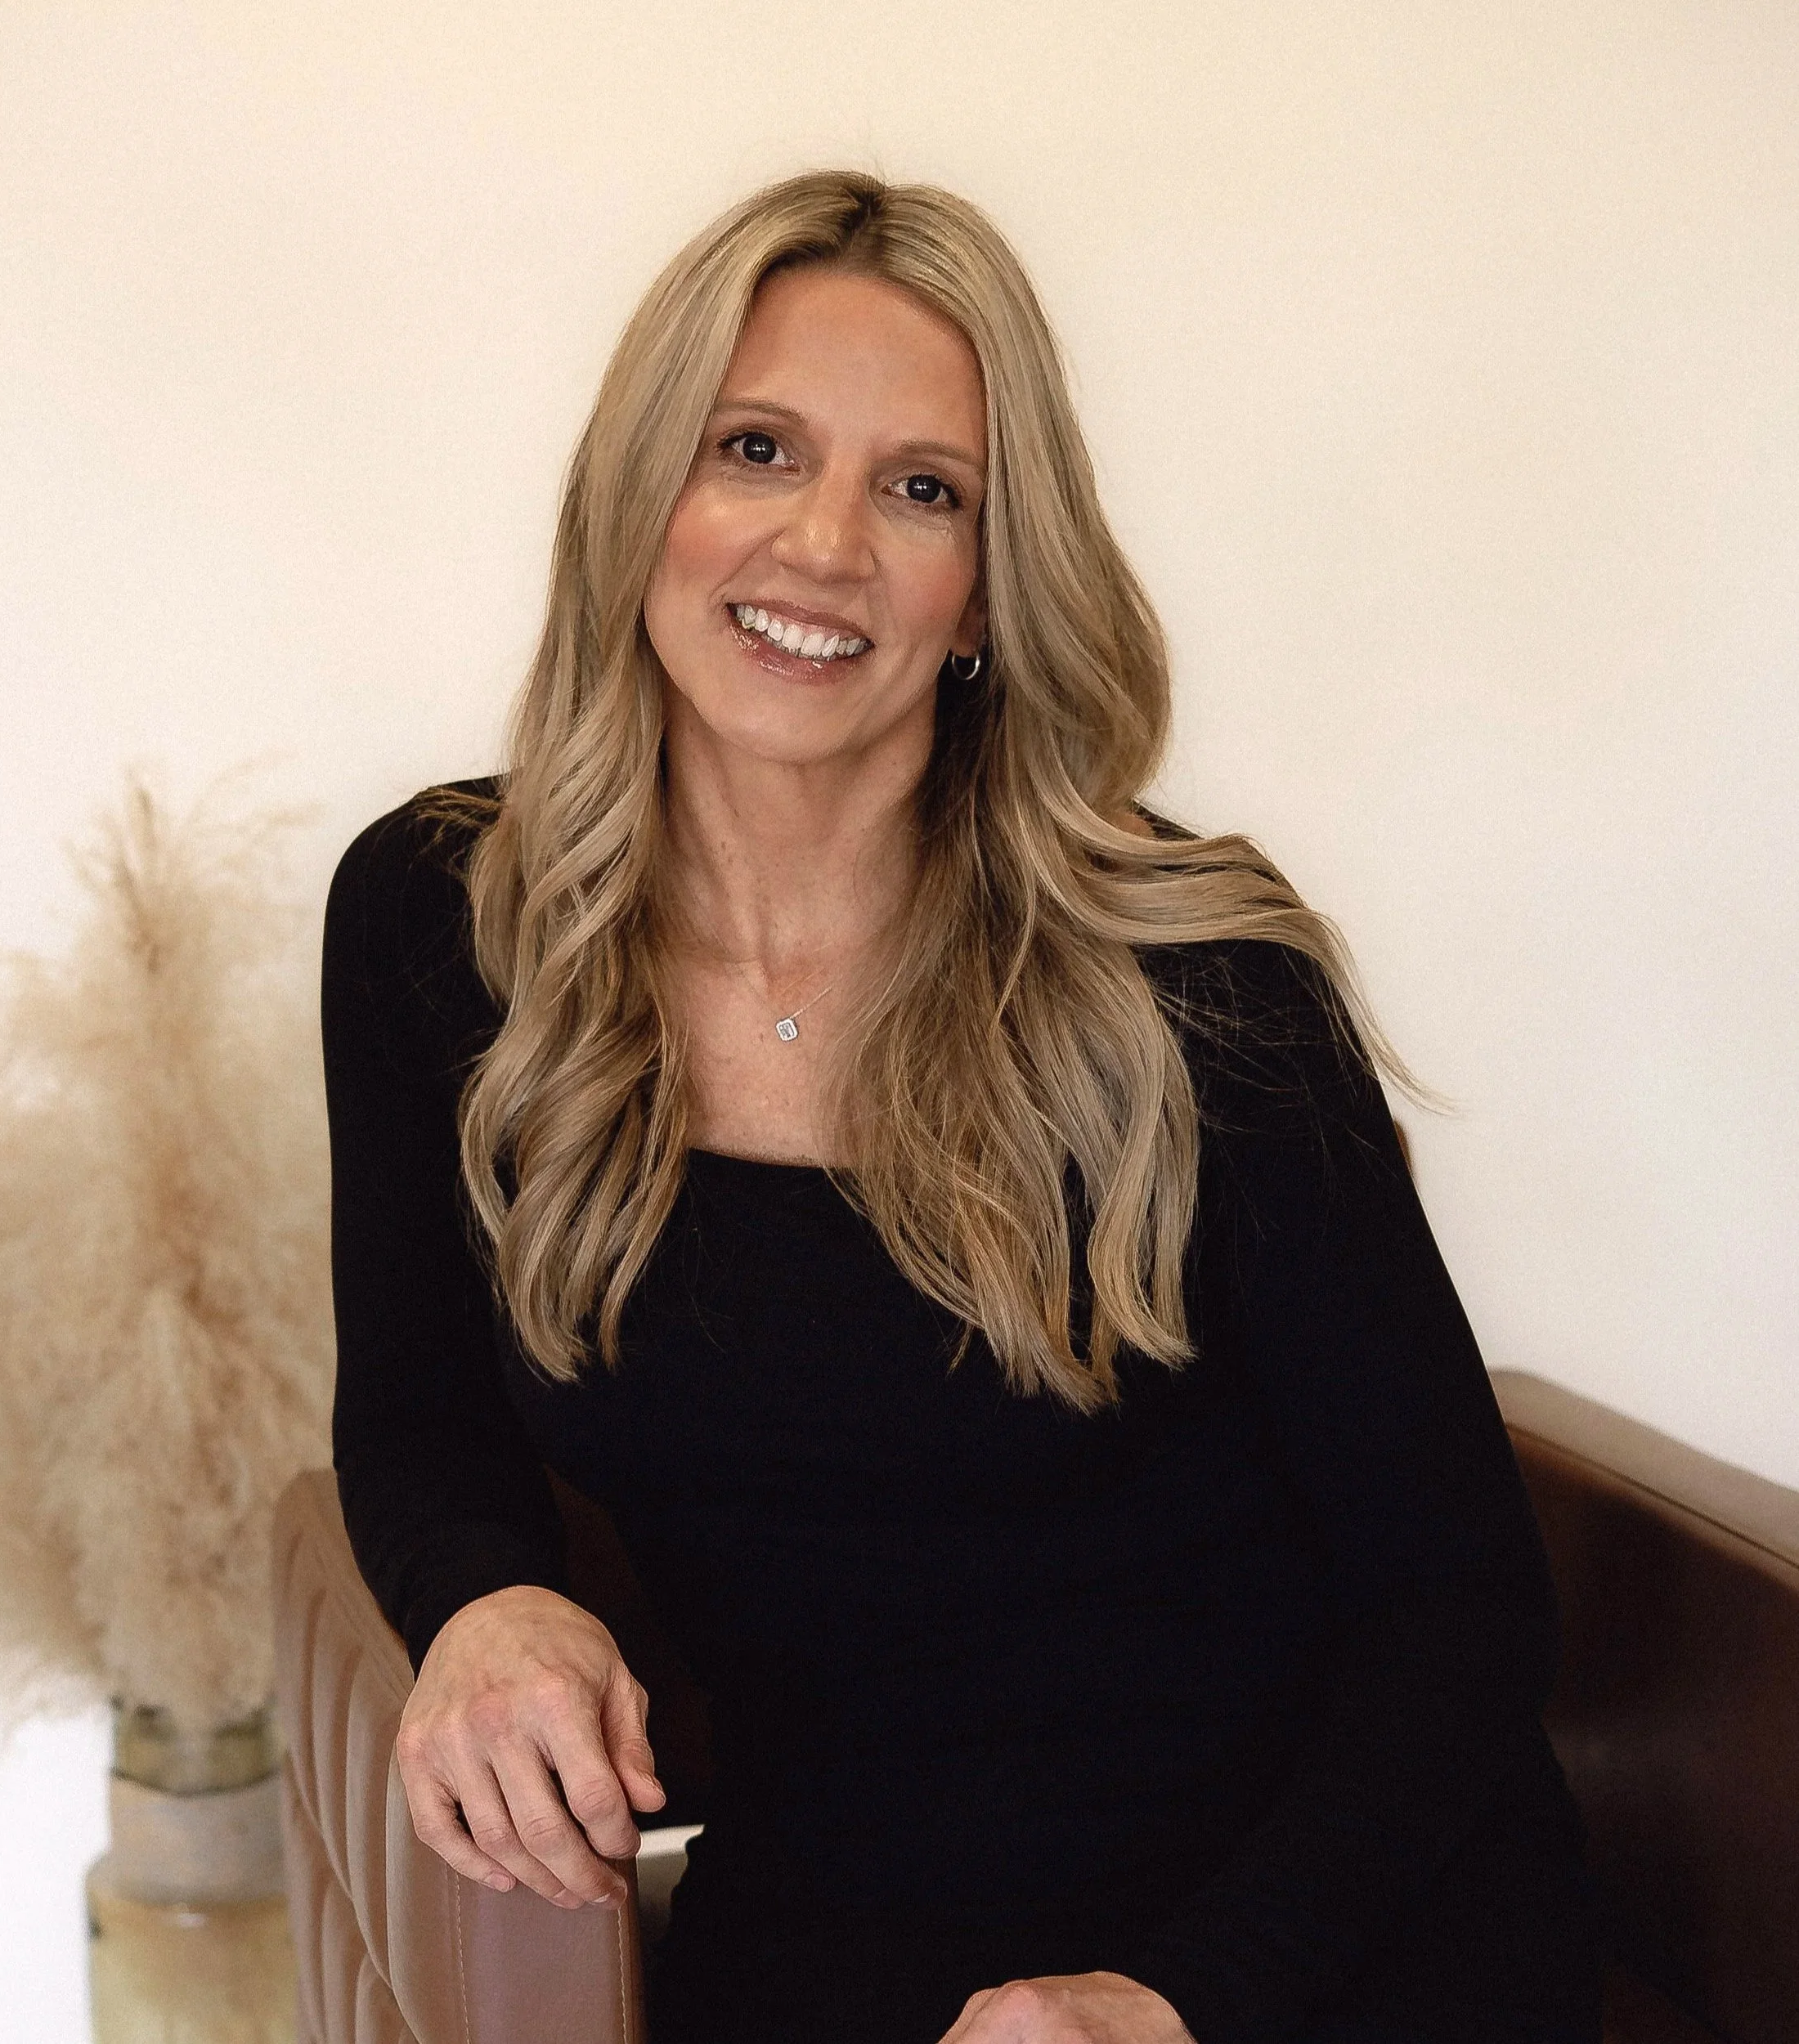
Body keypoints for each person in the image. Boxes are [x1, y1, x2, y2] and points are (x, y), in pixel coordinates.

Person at [321, 171, 1604, 2044]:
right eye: (754, 447)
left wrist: (1175, 1997)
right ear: (638, 501)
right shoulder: (443, 922)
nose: (824, 539)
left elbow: (1457, 1607)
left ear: (990, 589)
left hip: (1310, 1947)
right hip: (832, 1930)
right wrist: (484, 1596)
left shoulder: (1194, 980)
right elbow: (418, 1406)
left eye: (922, 488)